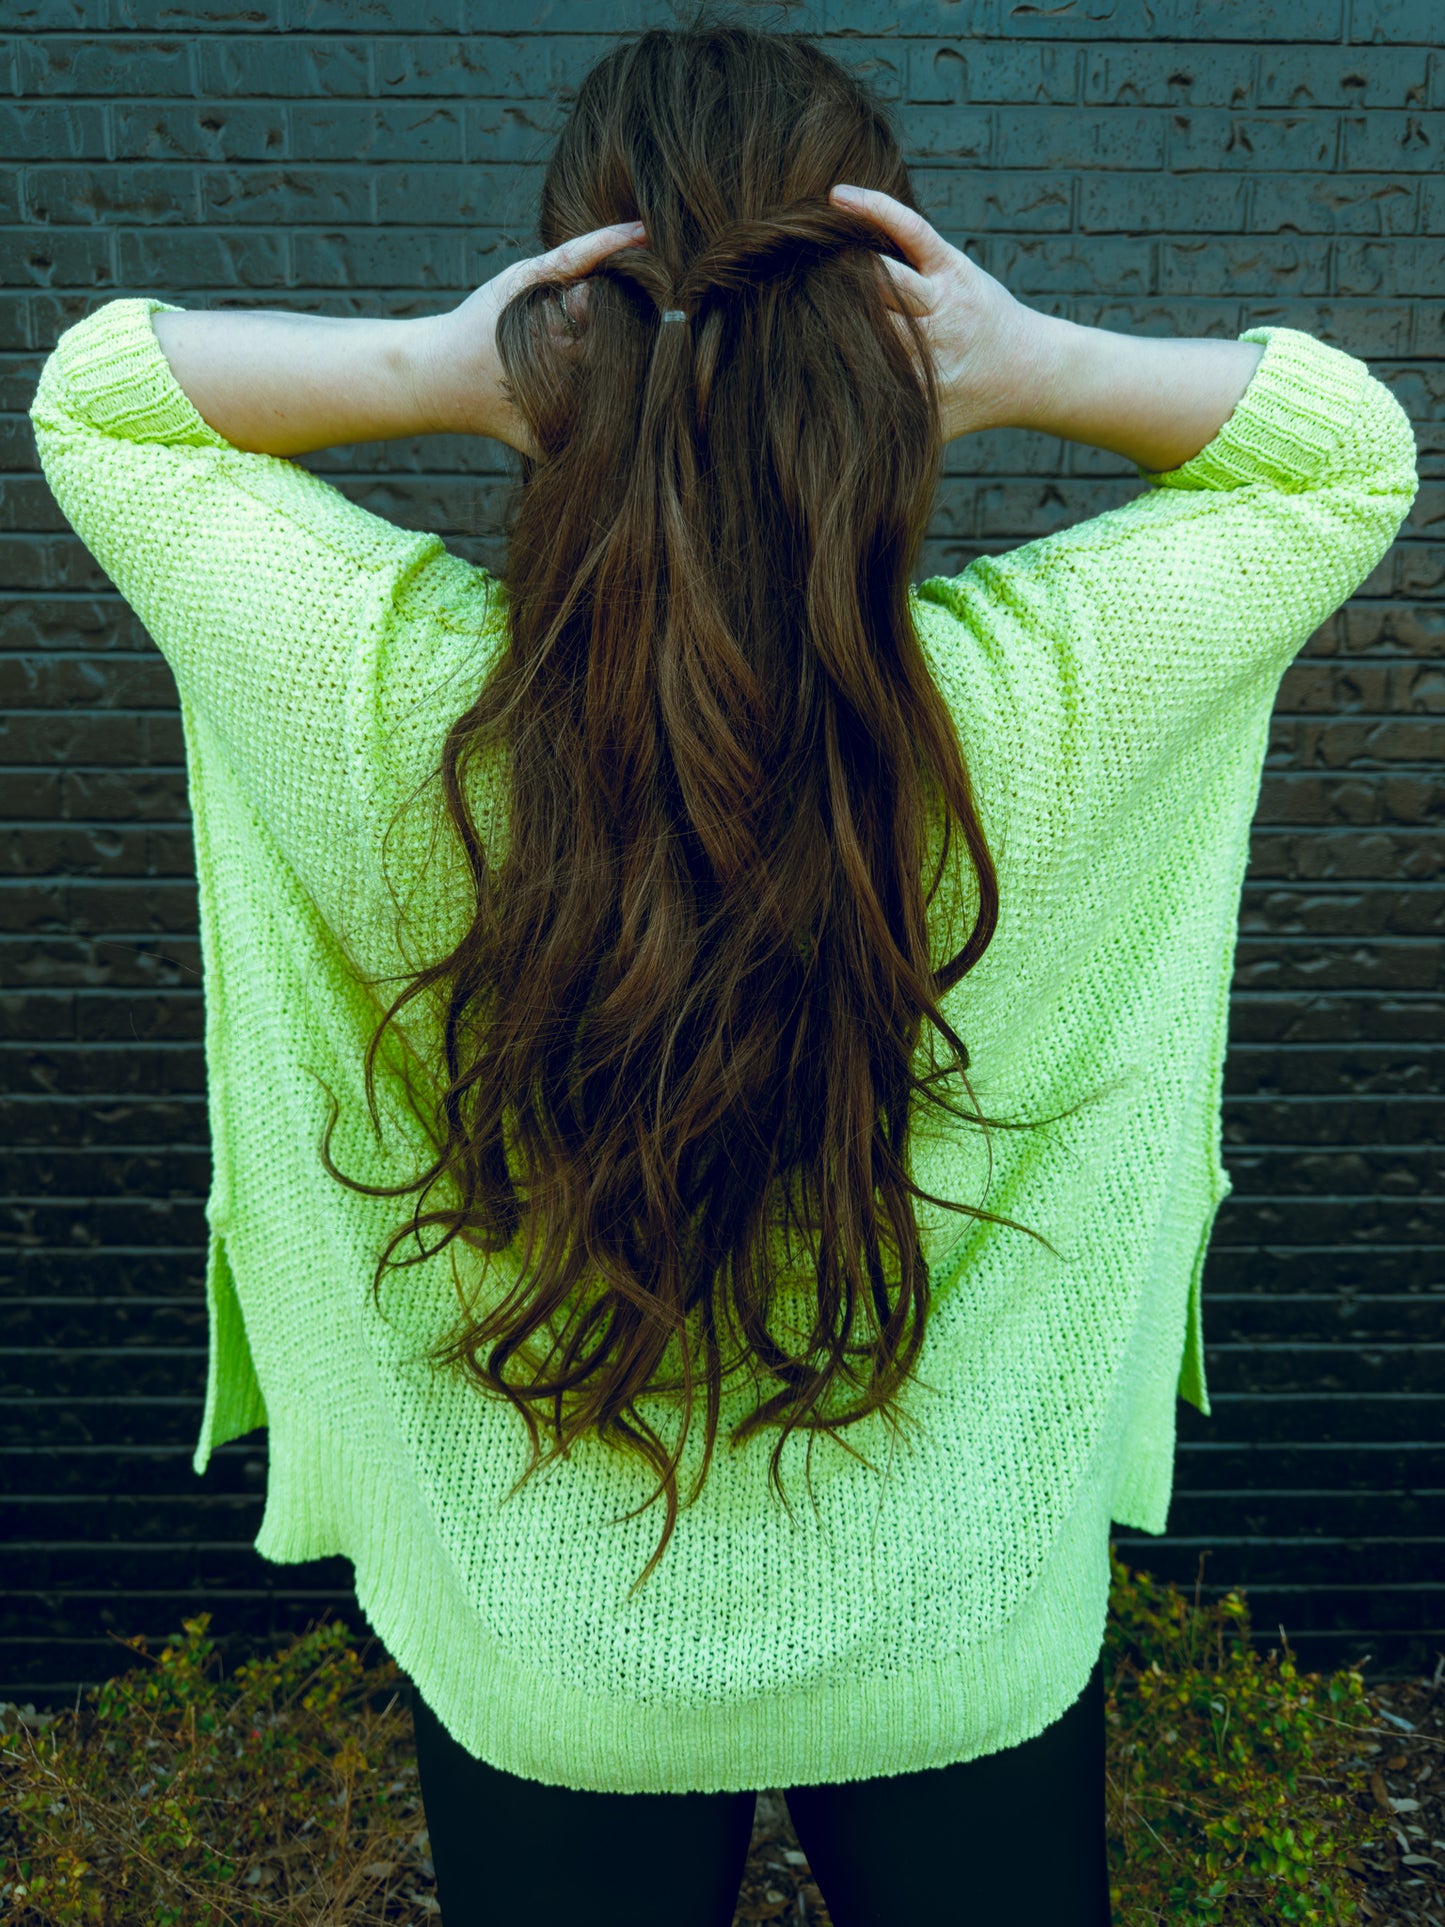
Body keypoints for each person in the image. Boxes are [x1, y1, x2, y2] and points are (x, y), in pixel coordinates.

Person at [29, 12, 1417, 1927]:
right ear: (885, 341)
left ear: (560, 324)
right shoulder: (1035, 708)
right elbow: (1339, 457)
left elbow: (101, 396)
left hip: (548, 1652)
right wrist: (1028, 368)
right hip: (952, 1616)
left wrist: (448, 367)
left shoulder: (389, 702)